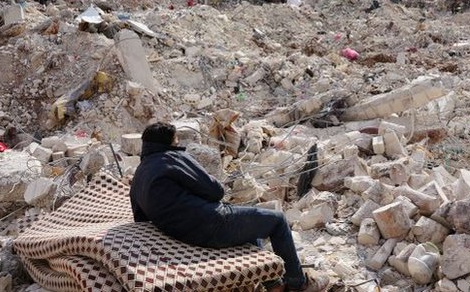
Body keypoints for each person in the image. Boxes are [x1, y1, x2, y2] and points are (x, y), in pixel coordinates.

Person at [130, 122, 329, 292]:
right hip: (211, 225)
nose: (177, 144)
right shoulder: (173, 158)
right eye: (175, 141)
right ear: (169, 143)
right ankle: (297, 284)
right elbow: (216, 191)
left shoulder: (140, 173)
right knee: (277, 220)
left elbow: (140, 218)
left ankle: (274, 284)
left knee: (250, 229)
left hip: (182, 232)